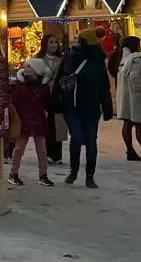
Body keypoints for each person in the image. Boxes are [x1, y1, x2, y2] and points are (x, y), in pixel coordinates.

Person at [58, 28, 112, 188]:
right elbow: (61, 78)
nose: (75, 40)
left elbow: (103, 85)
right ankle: (77, 172)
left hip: (84, 105)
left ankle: (88, 175)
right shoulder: (72, 56)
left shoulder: (93, 58)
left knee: (88, 140)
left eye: (78, 38)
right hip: (79, 105)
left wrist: (106, 106)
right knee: (79, 138)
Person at [9, 50, 55, 186]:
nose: (25, 68)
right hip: (23, 121)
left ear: (37, 71)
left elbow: (48, 103)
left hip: (39, 120)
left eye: (29, 66)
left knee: (42, 150)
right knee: (19, 149)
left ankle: (43, 174)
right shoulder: (19, 85)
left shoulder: (43, 88)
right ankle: (13, 173)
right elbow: (14, 102)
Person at [114, 35, 141, 162]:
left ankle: (130, 151)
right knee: (139, 125)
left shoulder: (122, 59)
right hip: (135, 98)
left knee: (127, 123)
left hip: (125, 97)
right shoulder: (135, 59)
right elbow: (136, 78)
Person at [32, 34, 66, 163]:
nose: (54, 45)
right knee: (46, 125)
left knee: (60, 125)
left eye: (55, 42)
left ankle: (58, 154)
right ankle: (47, 153)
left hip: (59, 96)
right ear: (45, 44)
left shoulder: (62, 59)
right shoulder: (38, 59)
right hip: (43, 96)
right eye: (51, 42)